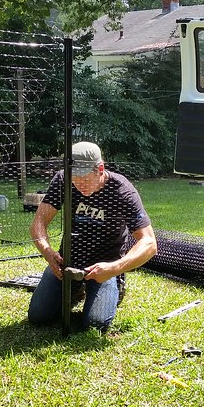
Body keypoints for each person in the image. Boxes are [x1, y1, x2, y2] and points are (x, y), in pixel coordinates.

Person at [28, 141, 157, 332]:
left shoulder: (122, 191)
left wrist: (114, 268)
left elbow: (149, 243)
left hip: (105, 267)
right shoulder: (62, 180)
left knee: (95, 324)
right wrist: (47, 252)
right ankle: (76, 290)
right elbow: (38, 223)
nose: (79, 185)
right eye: (75, 180)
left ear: (100, 168)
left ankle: (113, 287)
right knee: (39, 317)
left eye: (85, 179)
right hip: (67, 263)